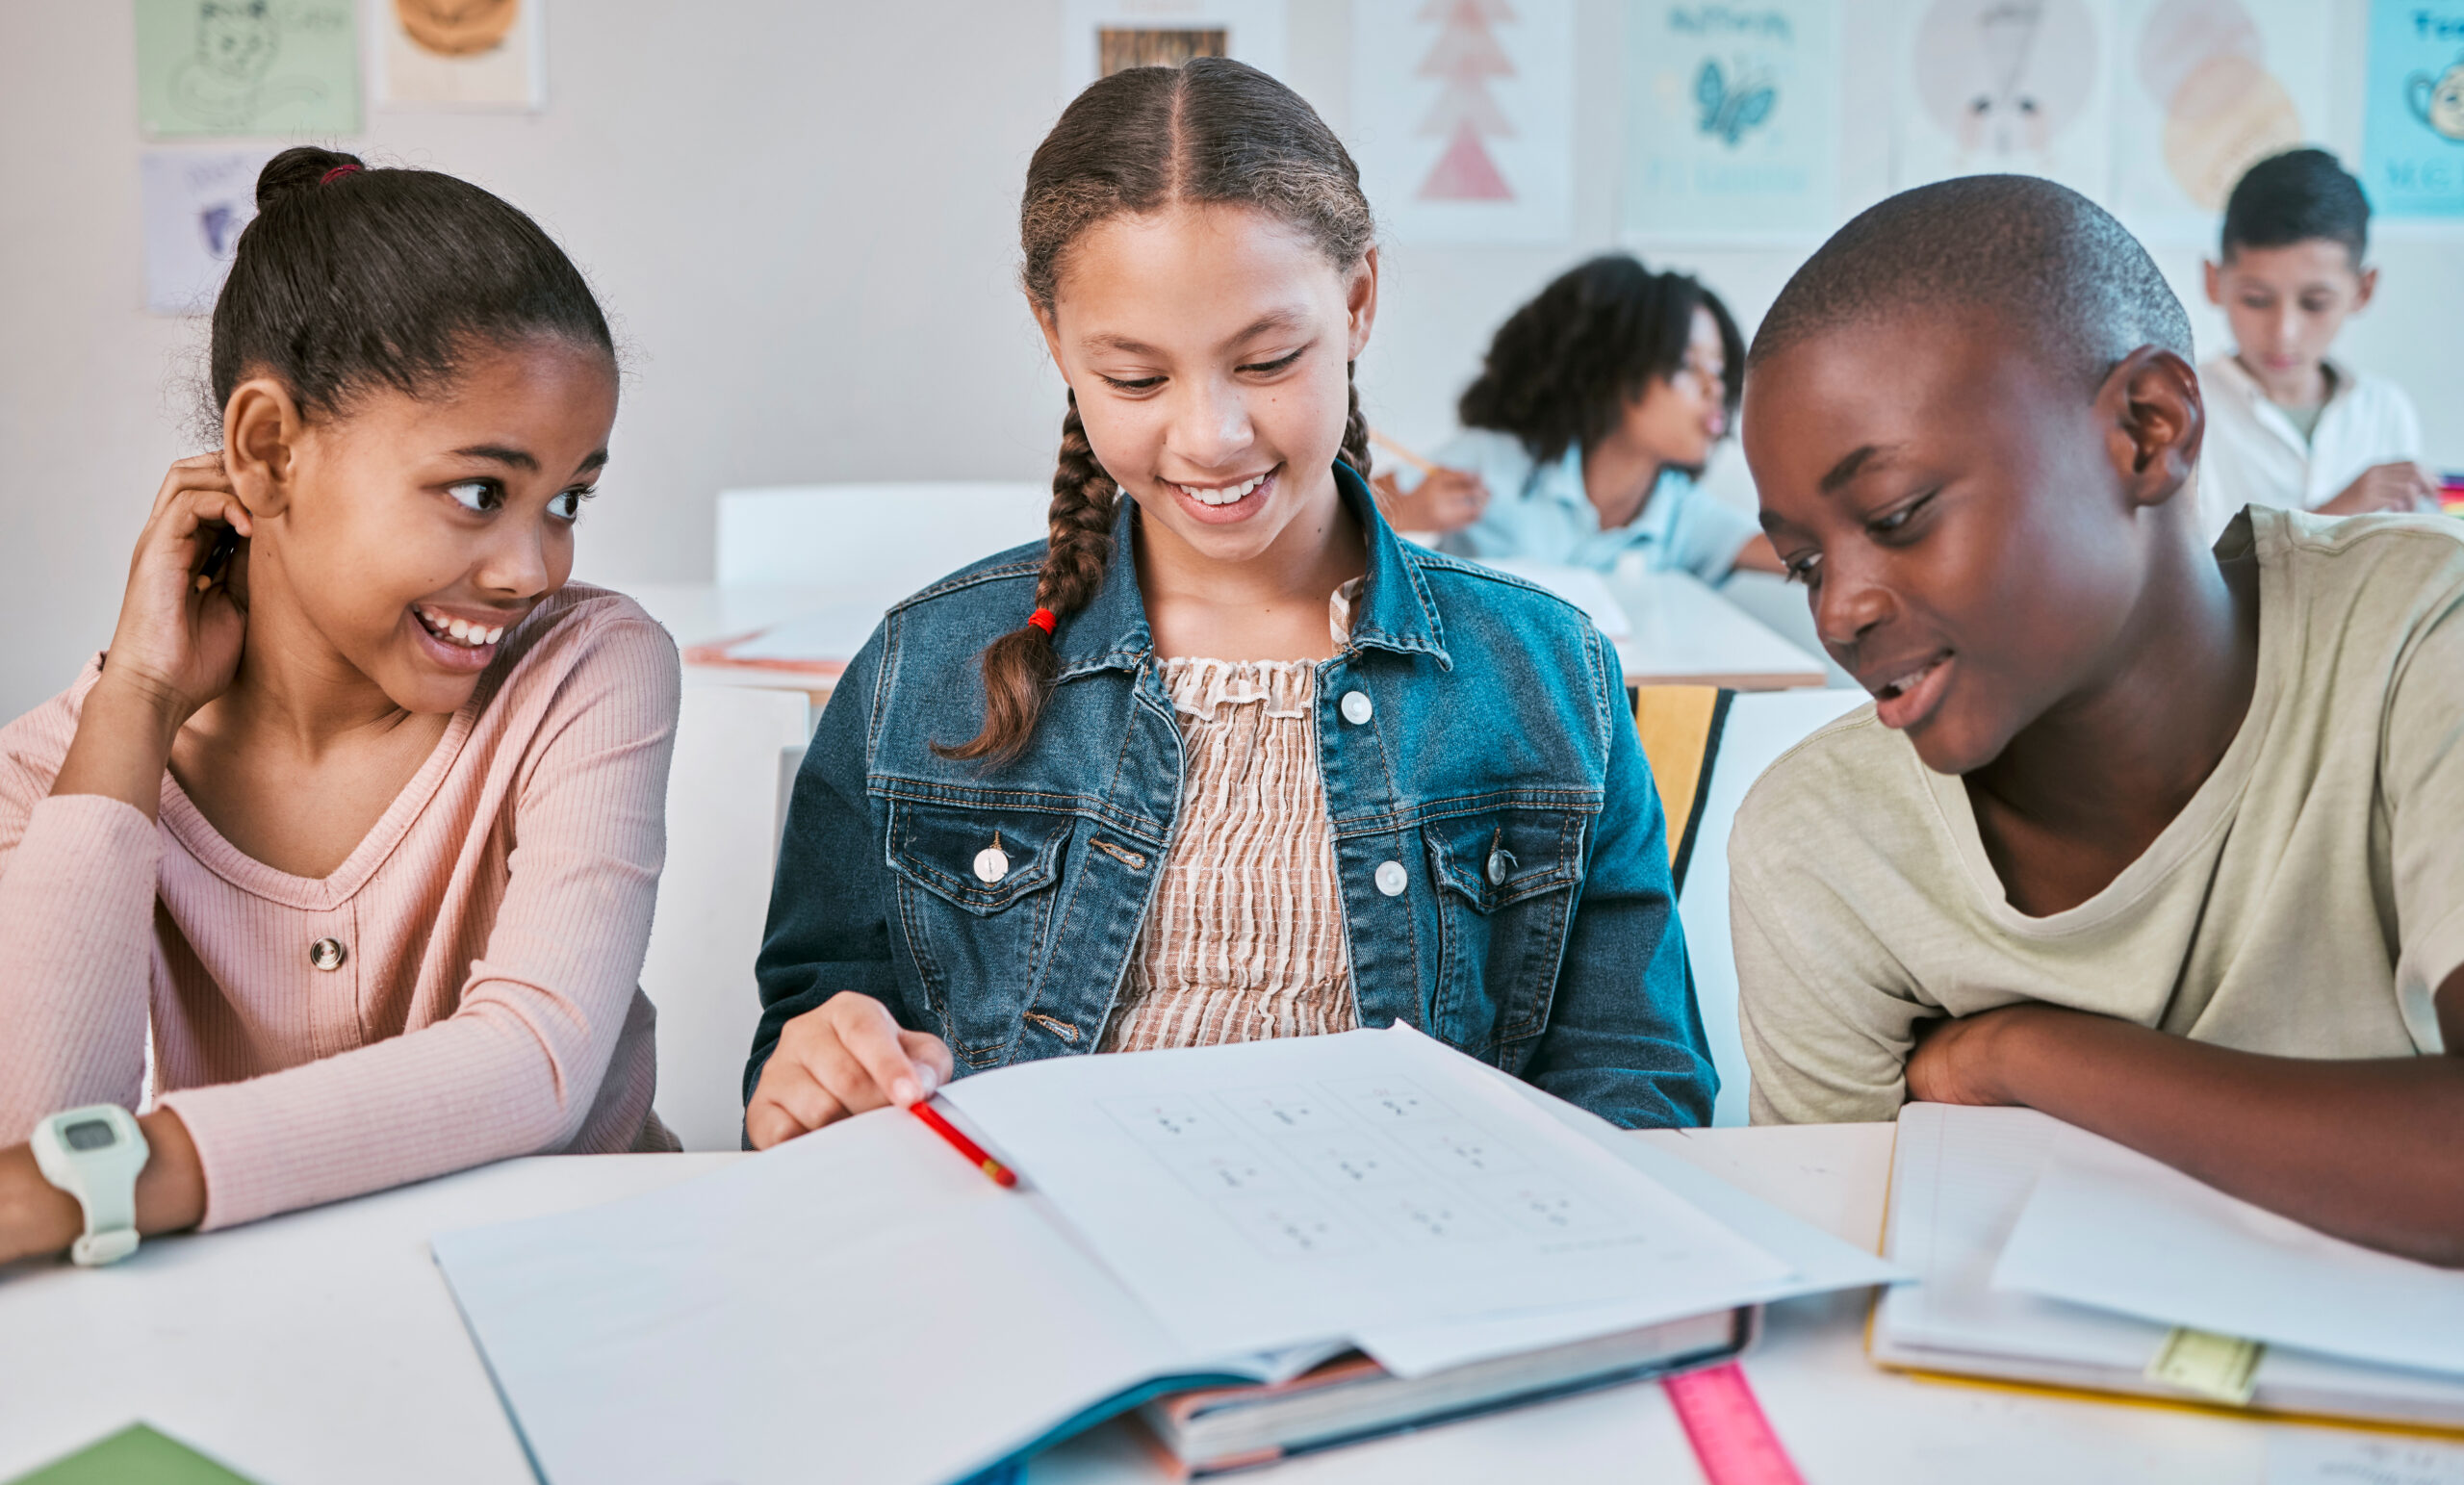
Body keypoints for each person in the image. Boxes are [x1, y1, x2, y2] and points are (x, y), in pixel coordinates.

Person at [742, 60, 1713, 1146]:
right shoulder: (919, 668)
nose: (1209, 437)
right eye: (1137, 380)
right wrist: (820, 1072)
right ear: (1052, 334)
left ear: (1356, 303)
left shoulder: (1545, 674)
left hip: (1413, 1267)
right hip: (1035, 1277)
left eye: (1265, 360)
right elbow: (807, 1034)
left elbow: (1638, 1074)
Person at [1732, 174, 2464, 1267]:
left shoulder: (2416, 637)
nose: (1839, 610)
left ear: (2146, 431)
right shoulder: (1819, 843)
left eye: (1894, 516)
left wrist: (2025, 1057)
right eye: (1804, 564)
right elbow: (1829, 1279)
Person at [0, 147, 680, 1266]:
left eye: (567, 500)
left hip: (591, 1283)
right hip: (284, 1325)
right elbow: (42, 1143)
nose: (533, 568)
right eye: (479, 492)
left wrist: (123, 1172)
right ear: (268, 450)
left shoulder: (590, 668)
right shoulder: (62, 773)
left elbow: (532, 1067)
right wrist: (135, 703)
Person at [1372, 254, 1784, 580]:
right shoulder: (1491, 464)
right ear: (1616, 371)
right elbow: (1345, 513)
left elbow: (1800, 553)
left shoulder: (1681, 513)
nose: (1715, 390)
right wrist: (1410, 511)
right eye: (1685, 365)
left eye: (1719, 371)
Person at [2195, 147, 2434, 542]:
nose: (2284, 331)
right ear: (2213, 282)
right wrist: (2334, 512)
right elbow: (2185, 580)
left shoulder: (2385, 410)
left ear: (2363, 289)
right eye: (2256, 299)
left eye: (2315, 303)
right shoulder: (2185, 411)